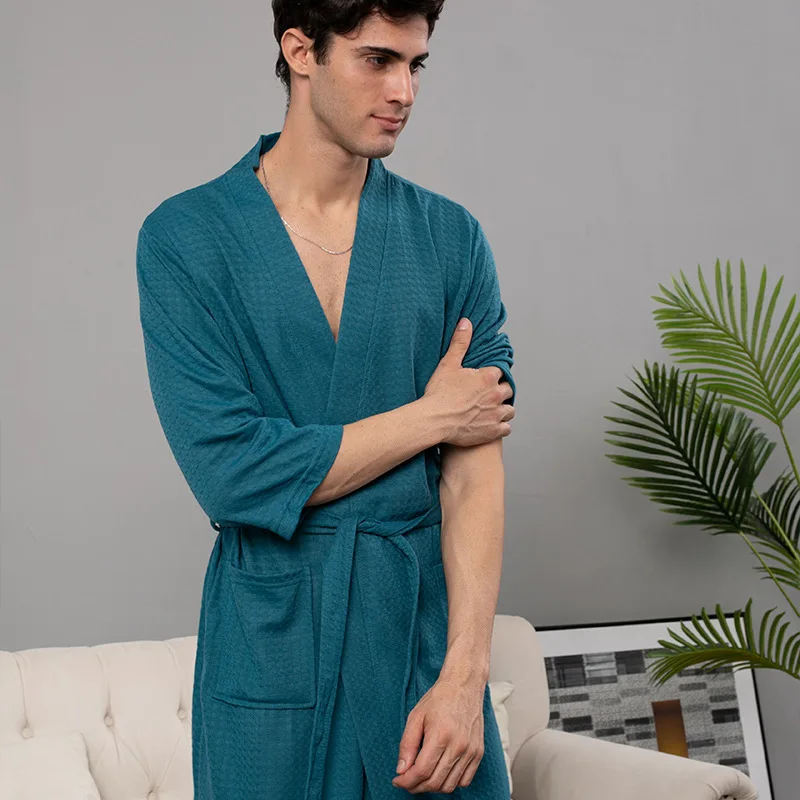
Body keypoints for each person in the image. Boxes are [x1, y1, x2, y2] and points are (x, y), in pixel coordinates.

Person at [135, 1, 517, 798]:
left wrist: (463, 678)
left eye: (415, 64)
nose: (404, 90)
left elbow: (473, 467)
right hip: (271, 643)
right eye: (377, 59)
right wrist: (432, 417)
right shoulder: (185, 240)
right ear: (301, 50)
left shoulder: (451, 239)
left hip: (420, 643)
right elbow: (234, 474)